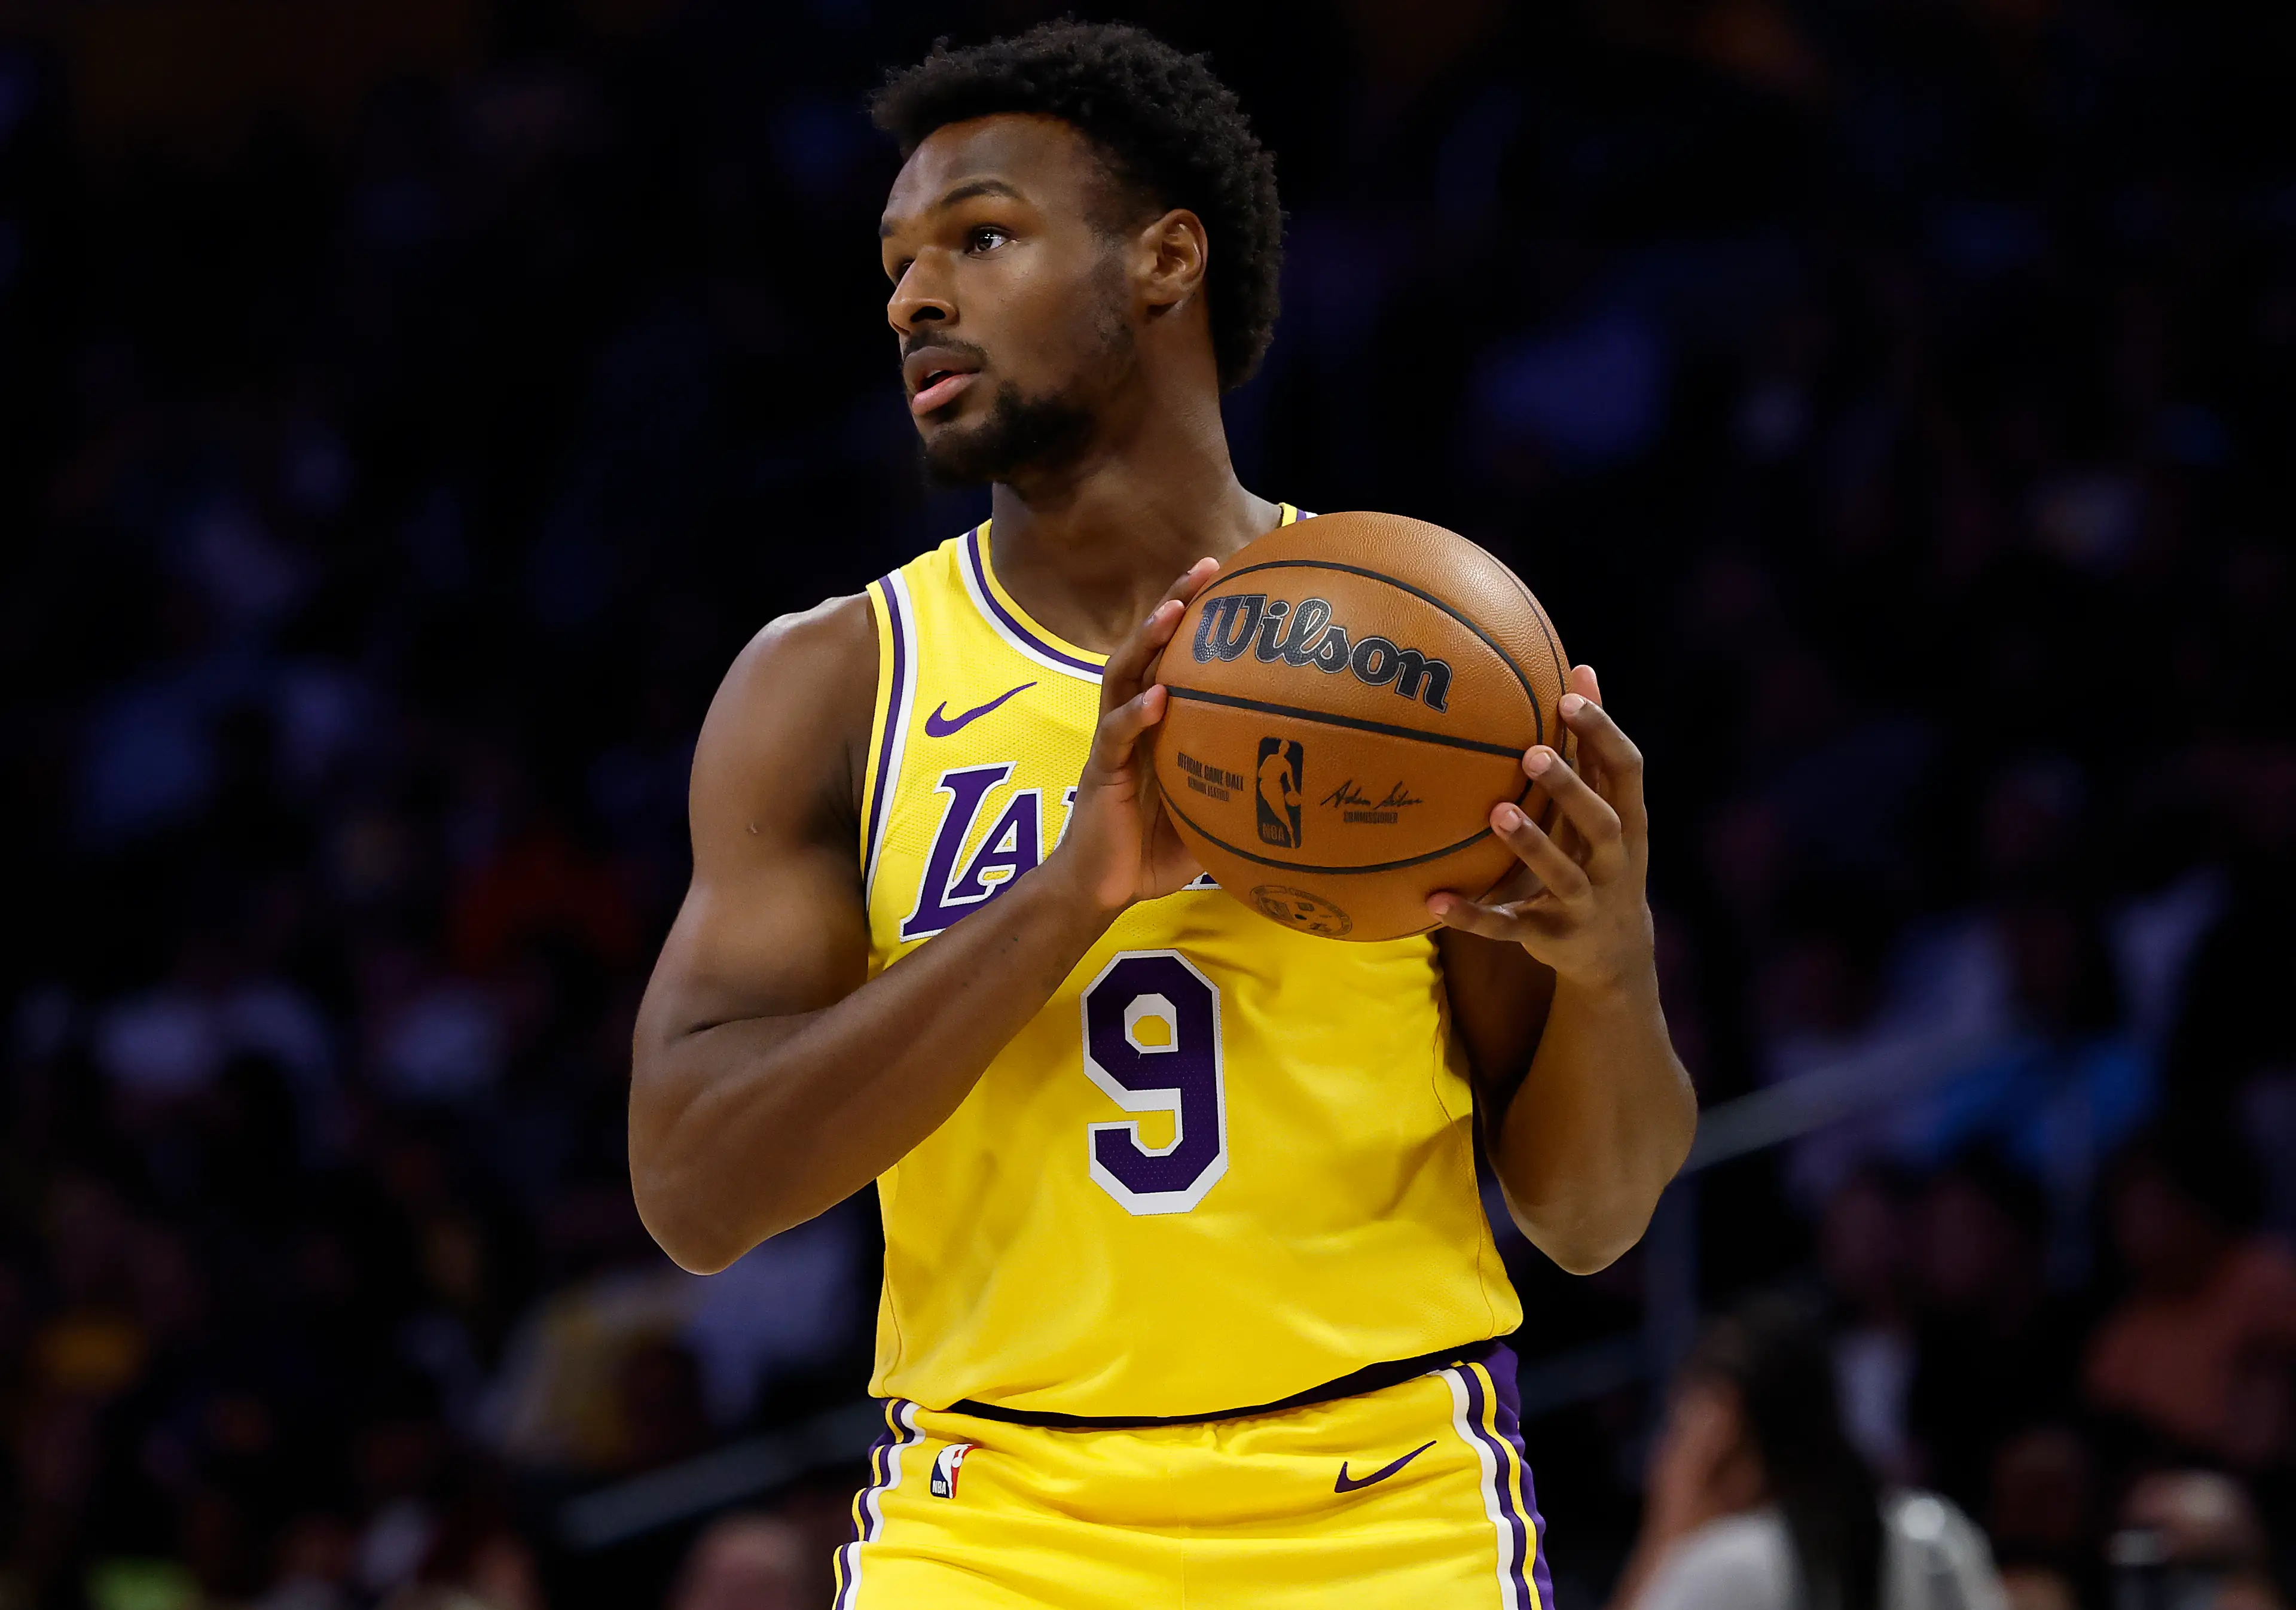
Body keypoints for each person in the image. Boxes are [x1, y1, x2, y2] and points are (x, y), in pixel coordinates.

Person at [628, 20, 1695, 1606]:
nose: (915, 295)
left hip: (1383, 1504)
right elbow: (696, 1192)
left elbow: (1596, 1218)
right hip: (992, 1516)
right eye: (898, 261)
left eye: (982, 237)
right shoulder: (834, 683)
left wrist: (1607, 969)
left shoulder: (1425, 659)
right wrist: (1073, 892)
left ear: (1165, 261)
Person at [1610, 1298, 2006, 1610]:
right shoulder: (1936, 1534)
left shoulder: (1725, 1567)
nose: (1661, 1454)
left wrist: (1665, 1527)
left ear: (1720, 1431)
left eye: (1677, 1427)